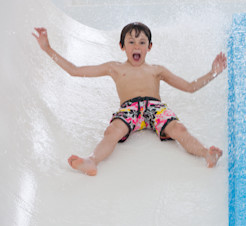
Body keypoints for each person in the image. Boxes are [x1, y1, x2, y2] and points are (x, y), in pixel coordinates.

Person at [32, 22, 226, 176]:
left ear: (149, 47)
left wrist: (213, 73)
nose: (136, 46)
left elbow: (190, 87)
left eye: (142, 43)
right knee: (112, 131)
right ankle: (92, 160)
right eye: (131, 42)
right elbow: (75, 71)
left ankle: (206, 153)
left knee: (178, 129)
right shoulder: (114, 67)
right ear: (121, 46)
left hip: (154, 107)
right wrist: (48, 48)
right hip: (129, 109)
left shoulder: (157, 70)